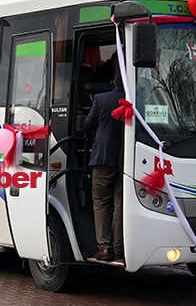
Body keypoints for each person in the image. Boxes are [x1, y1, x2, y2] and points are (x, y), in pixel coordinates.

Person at [84, 70, 125, 264]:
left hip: (103, 158)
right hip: (126, 160)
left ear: (112, 81)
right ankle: (118, 248)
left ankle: (104, 247)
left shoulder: (101, 99)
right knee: (120, 203)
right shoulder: (137, 100)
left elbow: (87, 125)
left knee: (100, 201)